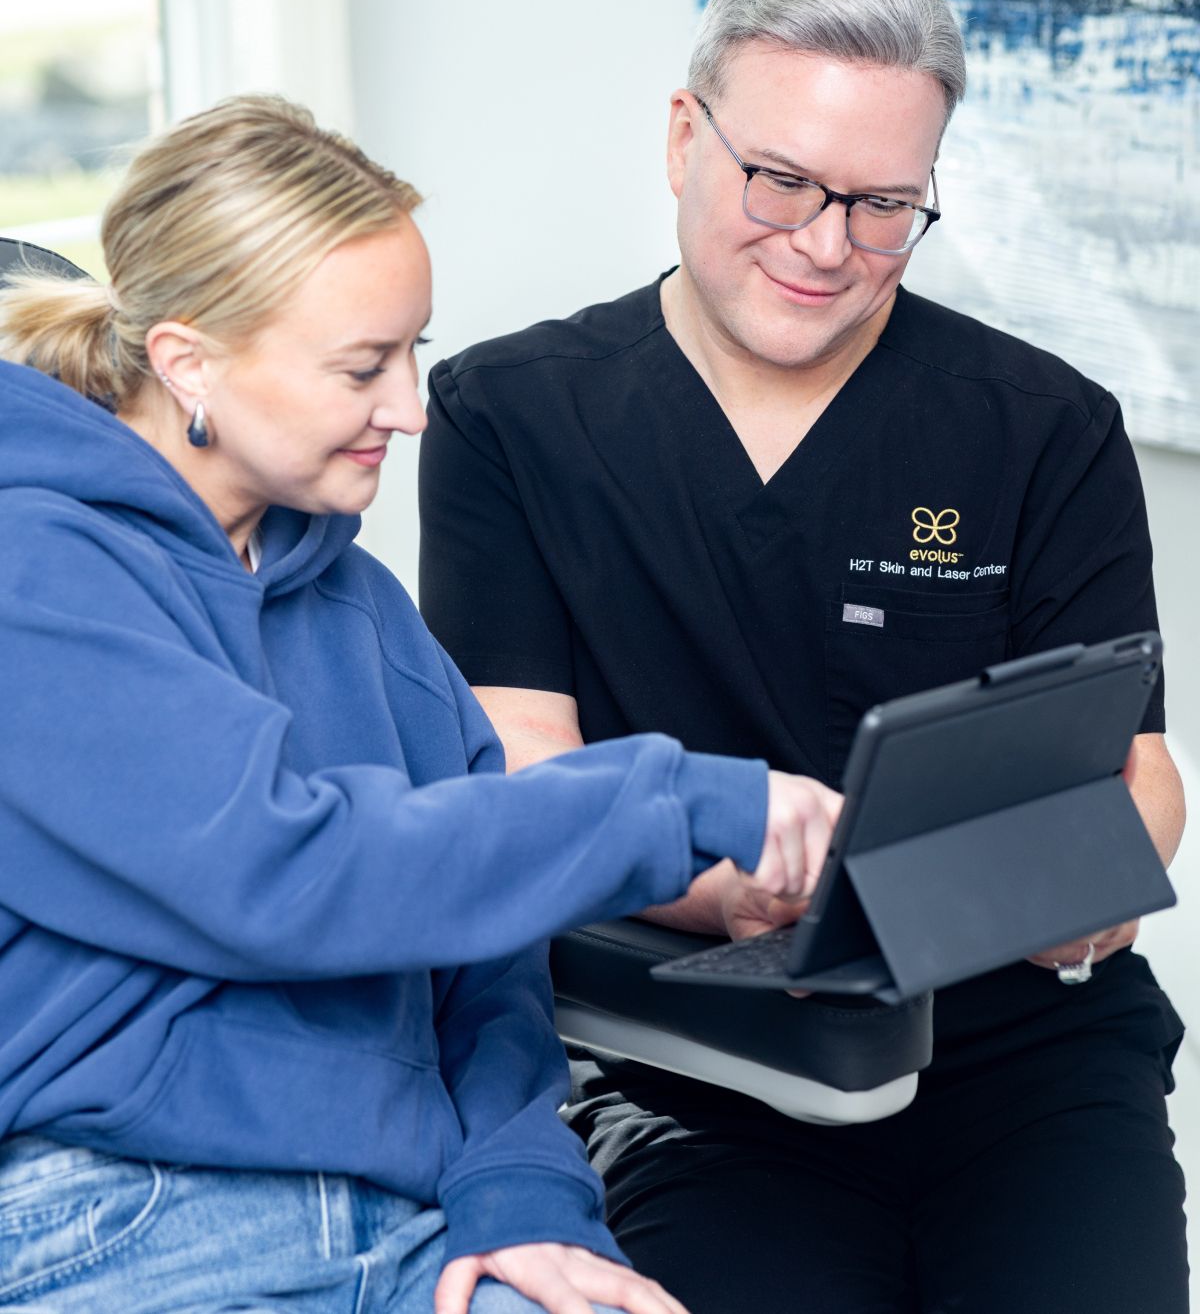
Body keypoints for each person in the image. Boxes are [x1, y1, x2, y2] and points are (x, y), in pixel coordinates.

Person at [418, 0, 1189, 1314]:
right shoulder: (510, 417)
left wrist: (1074, 903)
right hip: (697, 1062)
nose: (825, 246)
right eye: (780, 181)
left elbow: (1135, 778)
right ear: (683, 138)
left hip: (1022, 1056)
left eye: (884, 204)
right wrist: (738, 894)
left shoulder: (1041, 425)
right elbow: (518, 779)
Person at [0, 96, 842, 1314]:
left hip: (400, 1229)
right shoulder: (40, 574)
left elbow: (485, 956)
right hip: (123, 1223)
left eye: (414, 355)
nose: (408, 407)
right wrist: (681, 798)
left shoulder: (363, 611)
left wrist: (526, 1202)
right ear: (188, 360)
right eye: (361, 367)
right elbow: (285, 871)